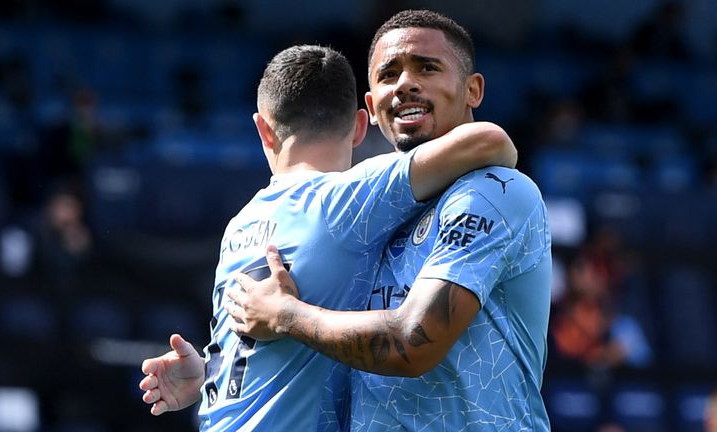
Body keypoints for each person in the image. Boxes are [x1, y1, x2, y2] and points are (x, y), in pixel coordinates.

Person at [139, 43, 517, 431]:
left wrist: (207, 374)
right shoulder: (345, 199)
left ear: (263, 130)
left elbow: (256, 345)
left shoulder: (240, 224)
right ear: (358, 127)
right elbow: (490, 141)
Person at [227, 10, 552, 431]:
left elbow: (414, 341)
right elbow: (330, 346)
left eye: (427, 67)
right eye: (388, 74)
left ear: (473, 90)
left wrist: (288, 316)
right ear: (371, 109)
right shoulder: (362, 212)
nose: (404, 84)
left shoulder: (493, 190)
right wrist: (208, 373)